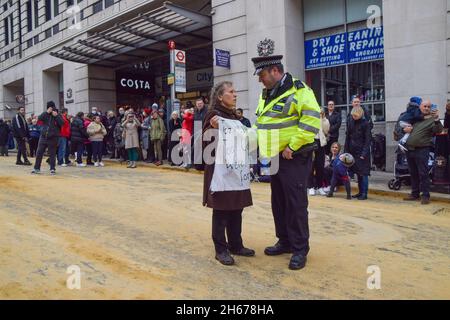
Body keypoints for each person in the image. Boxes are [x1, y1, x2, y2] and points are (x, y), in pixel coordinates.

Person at [251, 54, 320, 270]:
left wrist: (293, 146)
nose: (260, 79)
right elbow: (261, 123)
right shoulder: (266, 94)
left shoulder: (300, 90)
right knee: (279, 202)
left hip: (293, 157)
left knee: (296, 204)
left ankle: (300, 249)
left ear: (274, 70)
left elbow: (311, 120)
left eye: (262, 74)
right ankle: (285, 241)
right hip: (274, 158)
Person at [204, 81, 254, 266]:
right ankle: (221, 249)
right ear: (220, 96)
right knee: (222, 210)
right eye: (231, 92)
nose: (235, 94)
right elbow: (206, 143)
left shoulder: (234, 116)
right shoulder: (214, 116)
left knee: (236, 208)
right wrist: (213, 129)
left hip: (237, 170)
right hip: (221, 172)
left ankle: (236, 244)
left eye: (235, 91)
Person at [403, 100, 443, 205]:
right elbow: (405, 126)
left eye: (428, 107)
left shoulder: (432, 120)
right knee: (413, 173)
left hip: (422, 149)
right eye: (424, 106)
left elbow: (438, 130)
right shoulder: (416, 118)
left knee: (423, 174)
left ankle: (425, 196)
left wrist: (437, 119)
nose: (426, 108)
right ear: (420, 107)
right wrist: (405, 130)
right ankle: (415, 194)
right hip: (410, 149)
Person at [344, 106, 372, 200]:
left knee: (363, 173)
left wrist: (364, 154)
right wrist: (346, 151)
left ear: (360, 114)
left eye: (355, 116)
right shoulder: (351, 122)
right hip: (353, 152)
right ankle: (360, 192)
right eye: (353, 116)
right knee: (358, 173)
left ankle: (364, 193)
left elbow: (368, 140)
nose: (354, 117)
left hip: (362, 153)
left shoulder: (365, 124)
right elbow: (347, 138)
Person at [31, 101, 64, 175]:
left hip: (53, 138)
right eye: (49, 107)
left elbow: (62, 123)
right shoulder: (45, 114)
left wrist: (56, 116)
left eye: (52, 107)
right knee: (39, 153)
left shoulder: (57, 115)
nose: (51, 109)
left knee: (52, 154)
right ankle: (36, 168)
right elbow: (39, 119)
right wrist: (46, 112)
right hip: (43, 137)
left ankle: (52, 168)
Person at [308, 108, 330, 196]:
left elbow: (326, 130)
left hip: (321, 143)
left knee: (320, 166)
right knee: (311, 166)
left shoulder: (324, 120)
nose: (319, 114)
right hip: (311, 143)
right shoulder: (310, 119)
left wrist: (323, 119)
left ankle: (320, 187)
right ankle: (310, 187)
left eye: (321, 112)